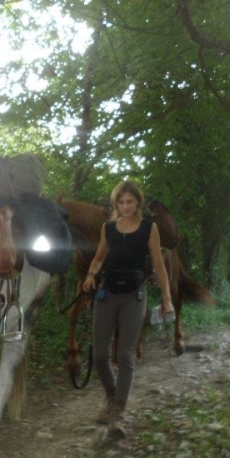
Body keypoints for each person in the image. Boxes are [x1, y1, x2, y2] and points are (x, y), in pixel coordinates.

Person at [82, 180, 174, 439]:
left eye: (129, 202)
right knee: (100, 355)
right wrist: (90, 275)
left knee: (125, 355)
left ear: (137, 203)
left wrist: (166, 298)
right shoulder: (108, 228)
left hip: (134, 295)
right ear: (115, 203)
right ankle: (112, 397)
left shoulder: (148, 228)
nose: (125, 207)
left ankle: (118, 414)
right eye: (121, 202)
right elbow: (99, 257)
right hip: (107, 293)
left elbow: (157, 263)